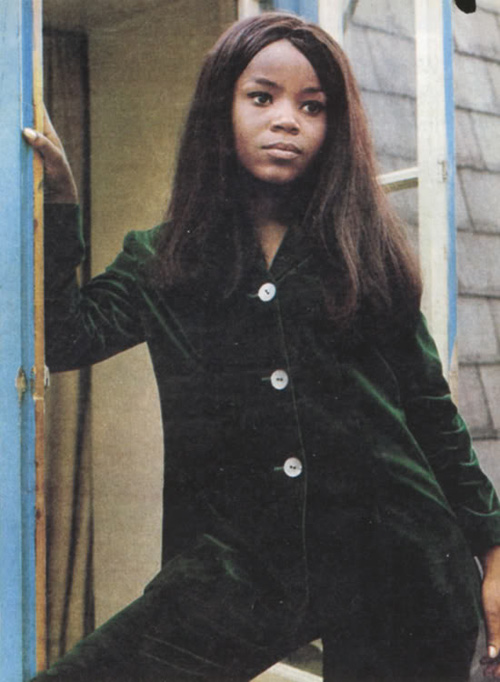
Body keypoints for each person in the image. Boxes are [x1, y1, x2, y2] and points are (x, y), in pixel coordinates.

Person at [23, 11, 500, 682]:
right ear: (220, 110)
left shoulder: (364, 254)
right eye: (262, 97)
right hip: (238, 565)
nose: (287, 121)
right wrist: (58, 202)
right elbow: (65, 335)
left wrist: (493, 550)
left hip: (397, 562)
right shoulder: (162, 260)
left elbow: (430, 412)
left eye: (313, 106)